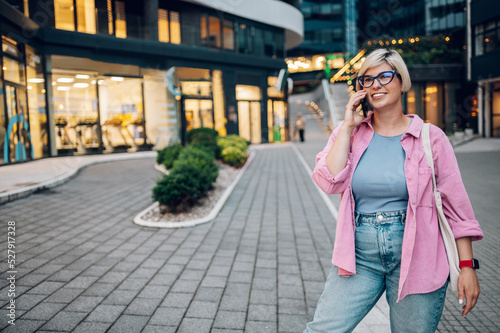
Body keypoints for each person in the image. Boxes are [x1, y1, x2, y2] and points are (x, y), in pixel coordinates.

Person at [304, 49, 483, 333]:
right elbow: (329, 180)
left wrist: (467, 266)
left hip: (419, 255)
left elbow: (456, 208)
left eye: (385, 76)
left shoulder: (430, 138)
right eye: (367, 79)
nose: (376, 85)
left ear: (402, 82)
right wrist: (348, 126)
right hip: (360, 255)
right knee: (322, 329)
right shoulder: (350, 132)